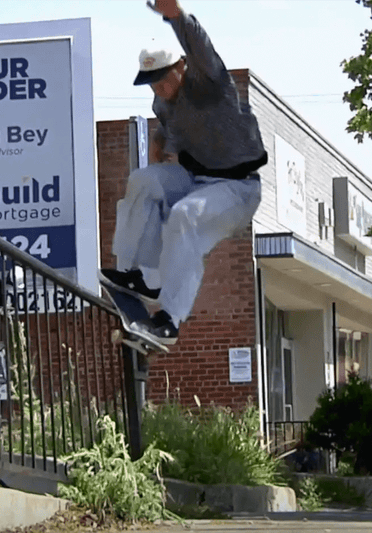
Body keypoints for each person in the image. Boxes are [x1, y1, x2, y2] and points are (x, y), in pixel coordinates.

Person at [99, 0, 267, 345]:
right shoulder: (161, 103)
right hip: (194, 180)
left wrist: (176, 16)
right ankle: (139, 276)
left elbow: (200, 44)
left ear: (181, 68)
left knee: (184, 216)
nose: (158, 88)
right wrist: (160, 143)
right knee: (143, 180)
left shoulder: (208, 82)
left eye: (162, 79)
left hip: (238, 189)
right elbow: (170, 127)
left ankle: (170, 319)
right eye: (151, 83)